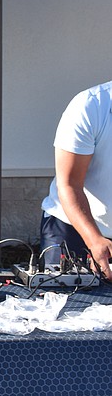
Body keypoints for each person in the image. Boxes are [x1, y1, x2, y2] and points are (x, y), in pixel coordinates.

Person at [40, 81, 112, 275]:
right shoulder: (91, 105)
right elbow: (70, 184)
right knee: (68, 302)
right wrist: (94, 240)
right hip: (72, 228)